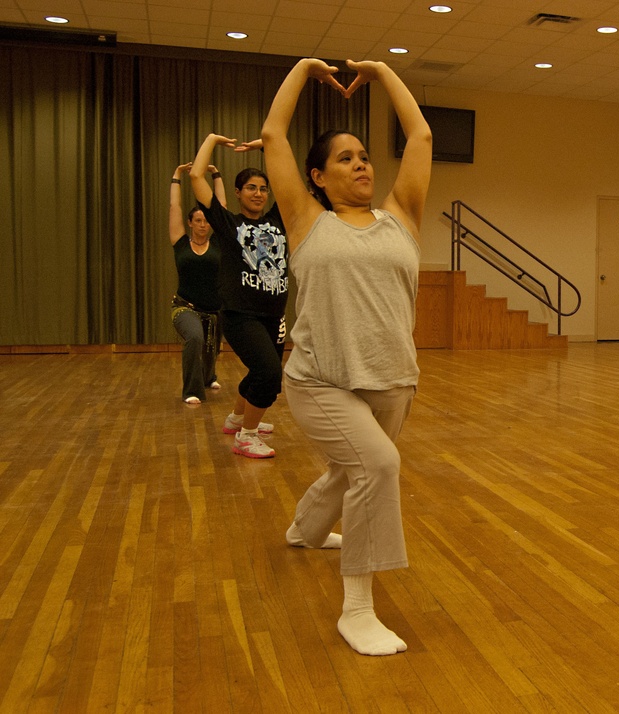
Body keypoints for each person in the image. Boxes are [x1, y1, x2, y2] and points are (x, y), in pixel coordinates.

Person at [261, 57, 431, 656]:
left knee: (352, 467)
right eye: (345, 158)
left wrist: (384, 74)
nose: (361, 164)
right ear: (317, 177)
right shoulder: (307, 221)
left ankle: (305, 530)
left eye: (364, 156)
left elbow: (421, 136)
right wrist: (303, 72)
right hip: (319, 380)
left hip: (392, 381)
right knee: (377, 467)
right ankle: (357, 610)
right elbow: (274, 135)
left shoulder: (402, 216)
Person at [190, 137, 289, 458]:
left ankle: (237, 419)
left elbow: (290, 178)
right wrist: (212, 141)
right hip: (240, 314)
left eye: (263, 188)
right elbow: (196, 177)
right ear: (237, 193)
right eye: (251, 188)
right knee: (269, 375)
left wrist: (270, 147)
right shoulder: (228, 223)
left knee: (264, 372)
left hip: (273, 315)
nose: (258, 194)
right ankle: (246, 437)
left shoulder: (278, 220)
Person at [169, 162, 225, 404]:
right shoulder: (180, 243)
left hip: (214, 310)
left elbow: (221, 207)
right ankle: (191, 391)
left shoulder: (218, 243)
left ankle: (208, 375)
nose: (203, 224)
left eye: (206, 220)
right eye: (198, 220)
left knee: (211, 350)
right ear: (190, 223)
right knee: (195, 337)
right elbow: (174, 206)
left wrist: (216, 175)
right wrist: (176, 176)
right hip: (184, 307)